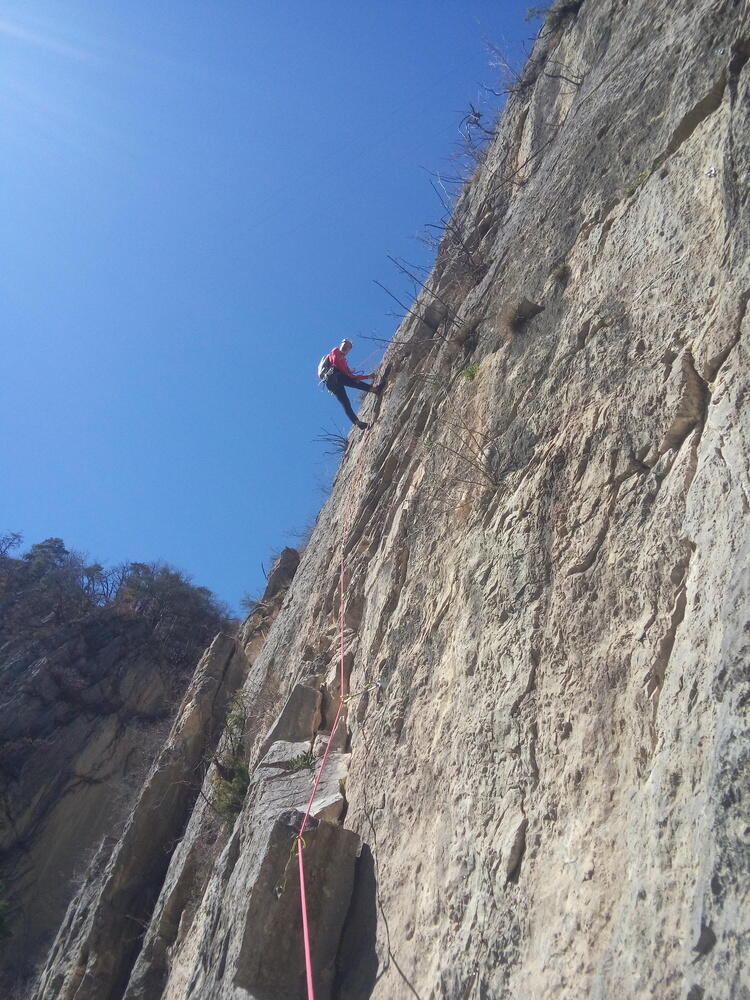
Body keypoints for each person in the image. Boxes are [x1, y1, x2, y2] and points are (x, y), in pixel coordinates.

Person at [321, 339, 381, 430]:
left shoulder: (344, 361)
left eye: (348, 347)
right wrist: (348, 374)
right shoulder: (335, 351)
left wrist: (367, 376)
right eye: (345, 345)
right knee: (350, 382)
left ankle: (358, 423)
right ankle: (374, 389)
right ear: (340, 344)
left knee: (345, 402)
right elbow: (336, 362)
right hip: (333, 377)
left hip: (333, 383)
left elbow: (352, 377)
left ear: (349, 350)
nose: (346, 347)